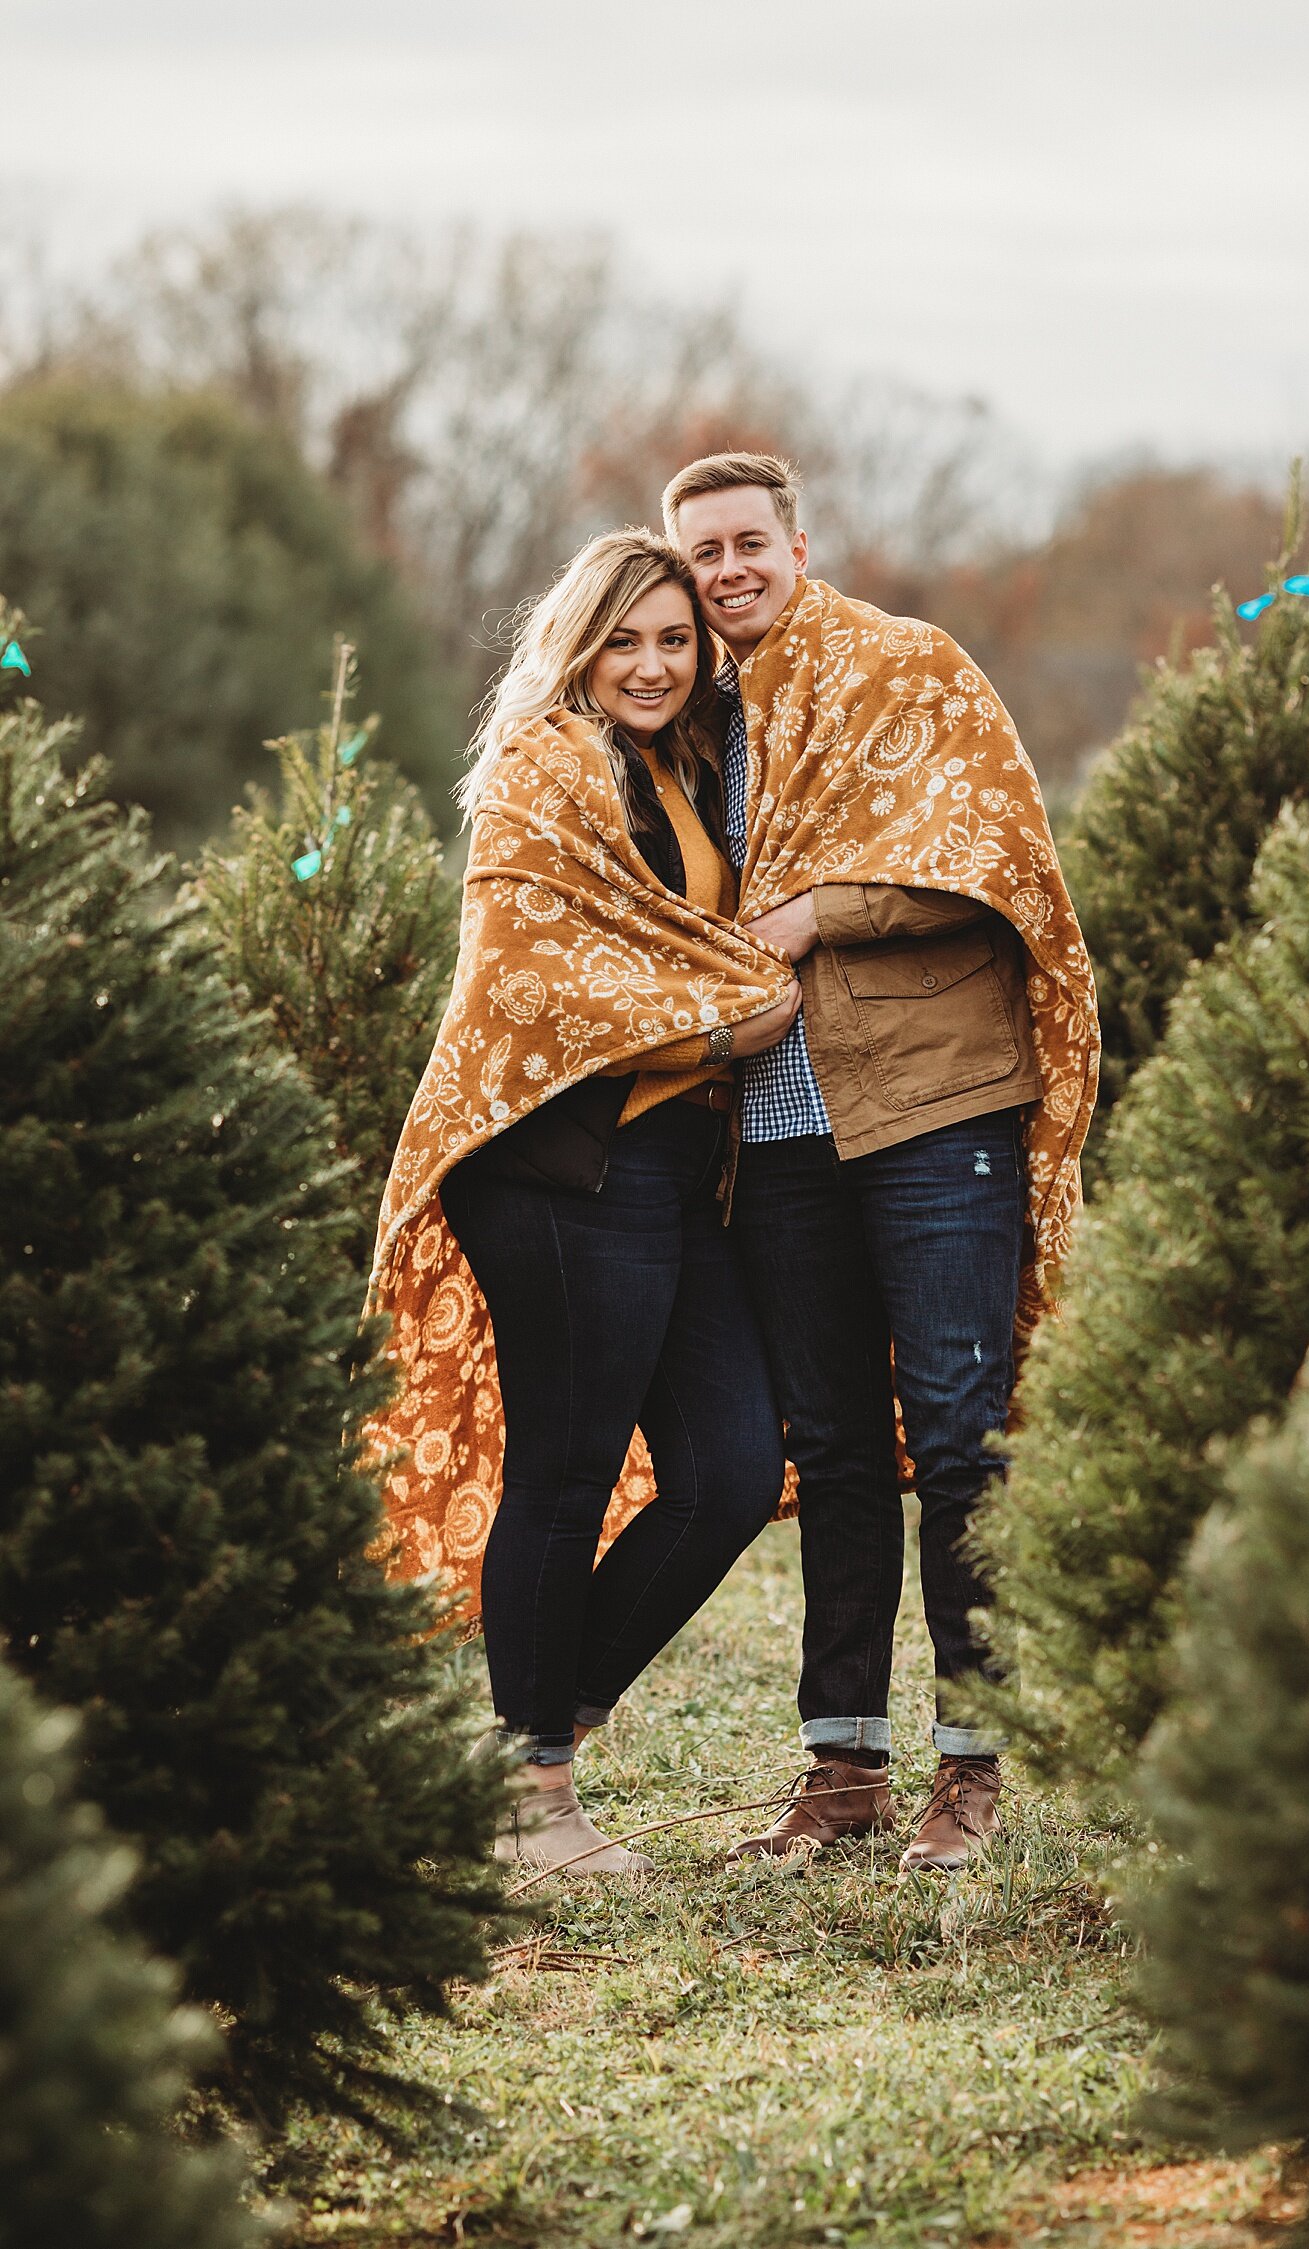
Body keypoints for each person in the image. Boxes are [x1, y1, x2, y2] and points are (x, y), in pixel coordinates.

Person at [662, 452, 1100, 1872]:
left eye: (747, 543)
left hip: (931, 1111)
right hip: (777, 1133)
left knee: (963, 1434)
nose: (727, 571)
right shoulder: (698, 725)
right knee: (838, 1447)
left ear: (797, 540)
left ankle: (970, 1769)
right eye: (702, 553)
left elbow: (994, 861)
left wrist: (808, 915)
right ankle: (841, 1765)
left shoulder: (909, 669)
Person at [366, 531, 800, 1877]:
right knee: (563, 1471)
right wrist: (727, 1029)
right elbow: (537, 980)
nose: (656, 663)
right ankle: (534, 1798)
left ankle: (537, 1727)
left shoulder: (688, 765)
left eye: (676, 638)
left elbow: (678, 944)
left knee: (731, 1467)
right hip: (563, 1166)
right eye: (628, 639)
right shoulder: (546, 764)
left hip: (674, 1172)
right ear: (581, 644)